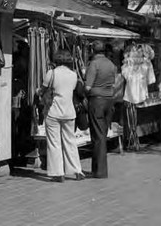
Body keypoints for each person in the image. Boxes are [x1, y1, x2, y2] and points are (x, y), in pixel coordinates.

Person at [36, 49, 85, 182]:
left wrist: (37, 91)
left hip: (54, 111)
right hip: (69, 112)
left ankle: (58, 173)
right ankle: (77, 170)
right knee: (70, 141)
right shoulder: (73, 75)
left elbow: (42, 90)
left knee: (54, 143)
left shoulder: (51, 73)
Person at [85, 40, 116, 178]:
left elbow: (88, 87)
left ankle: (99, 171)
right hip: (109, 101)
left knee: (98, 137)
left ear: (93, 51)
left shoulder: (94, 64)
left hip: (97, 101)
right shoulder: (111, 64)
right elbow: (113, 83)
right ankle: (98, 169)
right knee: (102, 134)